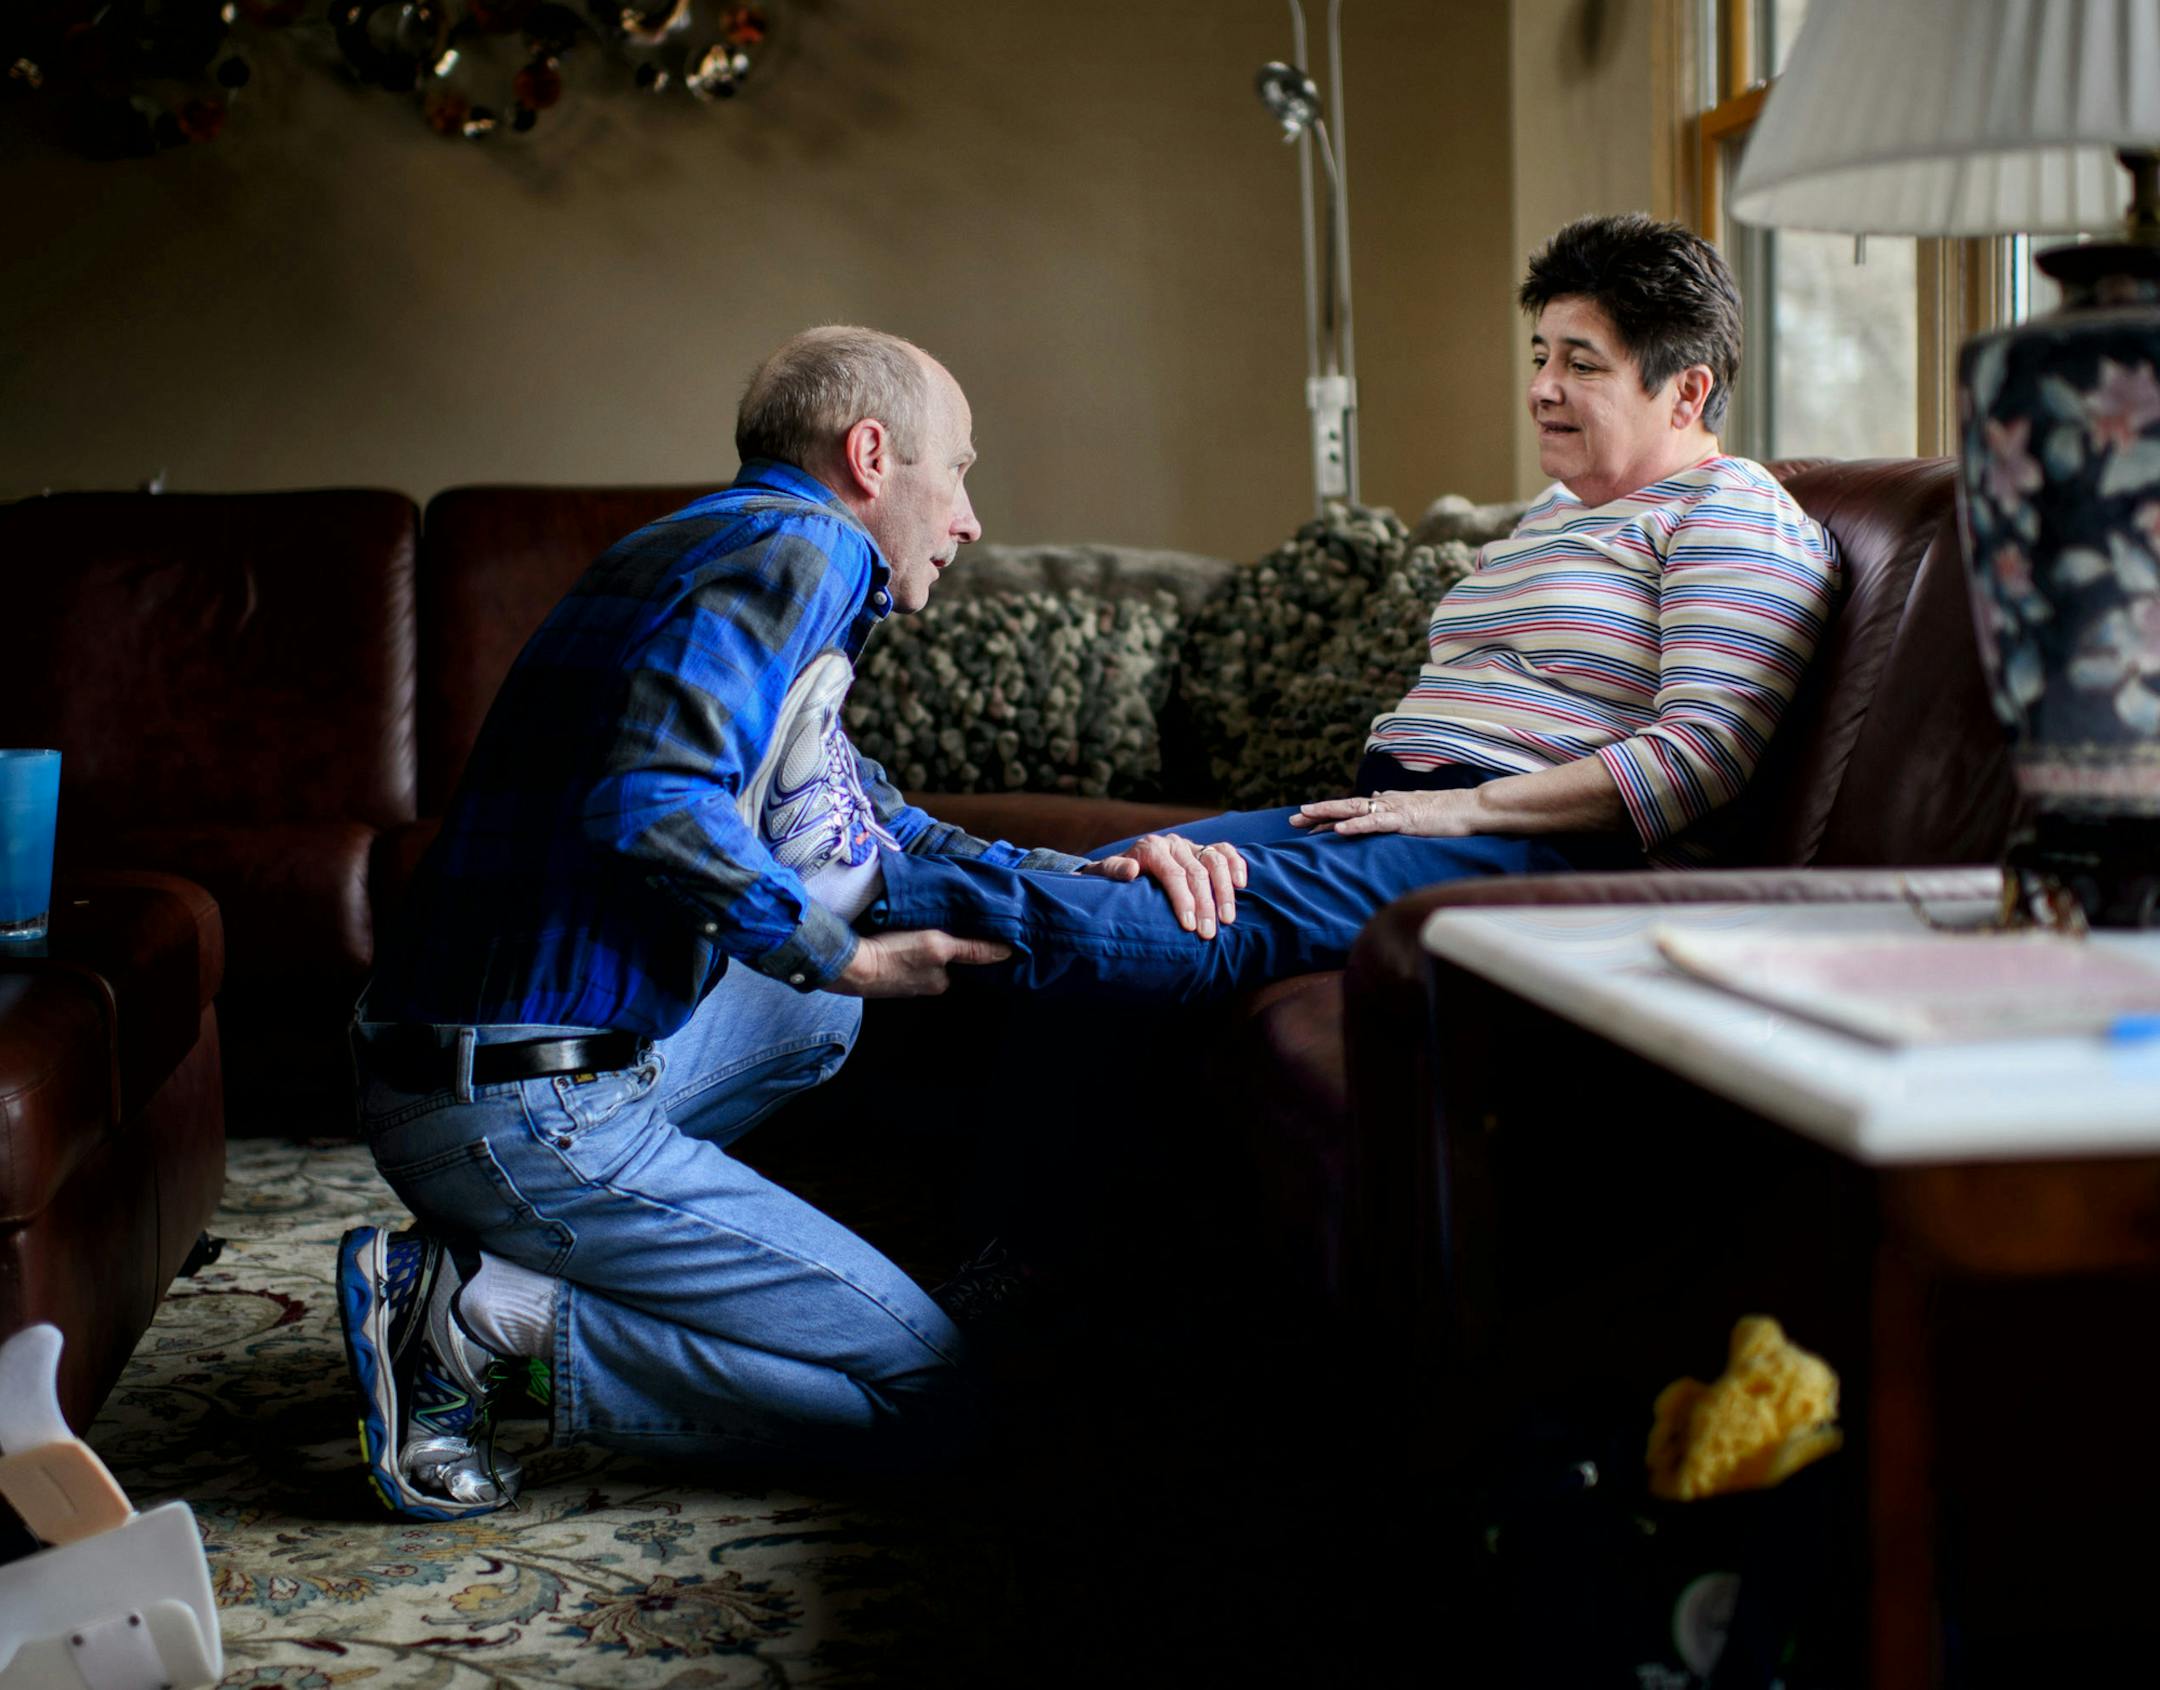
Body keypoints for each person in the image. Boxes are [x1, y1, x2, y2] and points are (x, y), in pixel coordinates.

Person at [337, 325, 1245, 1521]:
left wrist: (1088, 874)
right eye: (959, 469)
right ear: (871, 454)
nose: (968, 517)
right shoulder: (807, 549)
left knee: (814, 1016)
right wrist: (849, 952)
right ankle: (483, 1321)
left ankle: (509, 1242)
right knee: (935, 1394)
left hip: (441, 1064)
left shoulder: (707, 540)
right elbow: (650, 800)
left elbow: (882, 827)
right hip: (519, 1103)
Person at [802, 212, 1841, 1003]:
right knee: (1126, 867)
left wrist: (1467, 808)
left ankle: (827, 890)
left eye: (1583, 363)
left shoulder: (1733, 509)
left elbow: (1704, 747)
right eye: (1540, 357)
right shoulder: (1560, 516)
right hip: (1402, 817)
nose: (1542, 388)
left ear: (1688, 392)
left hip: (1539, 850)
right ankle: (1036, 1251)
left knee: (1164, 909)